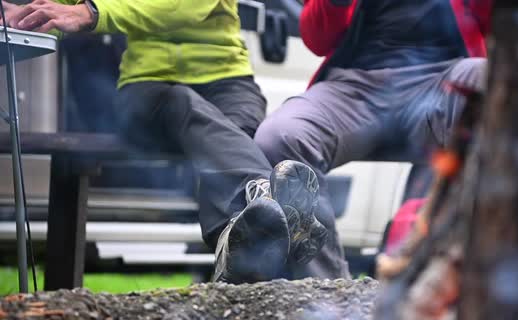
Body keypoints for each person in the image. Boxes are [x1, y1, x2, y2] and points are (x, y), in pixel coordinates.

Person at [1, 0, 329, 283]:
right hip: (149, 88)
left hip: (228, 81)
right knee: (189, 109)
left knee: (234, 134)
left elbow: (185, 6)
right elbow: (65, 8)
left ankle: (235, 246)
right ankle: (267, 195)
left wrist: (94, 12)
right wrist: (29, 16)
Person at [254, 0, 492, 279]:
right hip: (356, 87)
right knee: (280, 137)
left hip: (444, 80)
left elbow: (505, 22)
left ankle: (475, 275)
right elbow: (316, 38)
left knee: (491, 81)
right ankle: (325, 290)